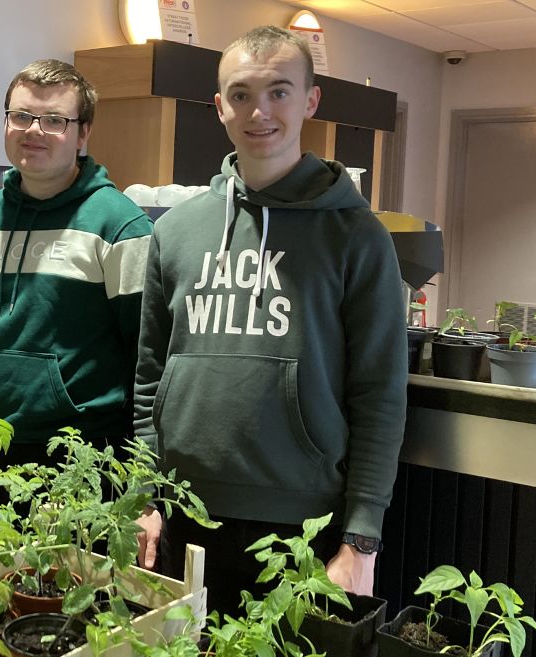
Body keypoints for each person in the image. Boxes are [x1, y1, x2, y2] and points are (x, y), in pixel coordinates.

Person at [133, 25, 407, 612]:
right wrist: (144, 496)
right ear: (219, 106)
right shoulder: (174, 232)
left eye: (279, 92)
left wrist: (362, 538)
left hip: (303, 524)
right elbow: (150, 380)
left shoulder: (357, 237)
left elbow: (379, 394)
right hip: (185, 513)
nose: (259, 112)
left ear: (311, 100)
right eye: (241, 94)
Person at [0, 59, 152, 464]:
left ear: (83, 135)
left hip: (79, 452)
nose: (33, 130)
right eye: (21, 116)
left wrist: (143, 470)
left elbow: (147, 356)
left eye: (54, 120)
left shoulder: (120, 225)